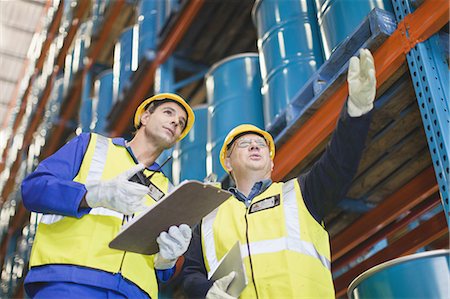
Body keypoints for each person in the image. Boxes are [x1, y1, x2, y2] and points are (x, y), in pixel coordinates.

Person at [182, 48, 376, 298]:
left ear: (271, 163)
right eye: (243, 144)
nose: (254, 146)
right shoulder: (208, 218)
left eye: (260, 144)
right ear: (228, 163)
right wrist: (207, 292)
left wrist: (357, 112)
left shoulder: (301, 194)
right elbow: (190, 275)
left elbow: (340, 163)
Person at [21, 93, 195, 298]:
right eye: (168, 112)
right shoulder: (91, 146)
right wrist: (93, 195)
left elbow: (163, 271)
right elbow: (34, 189)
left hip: (134, 292)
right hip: (72, 279)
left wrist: (168, 260)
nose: (175, 121)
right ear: (145, 117)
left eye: (181, 123)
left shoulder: (168, 191)